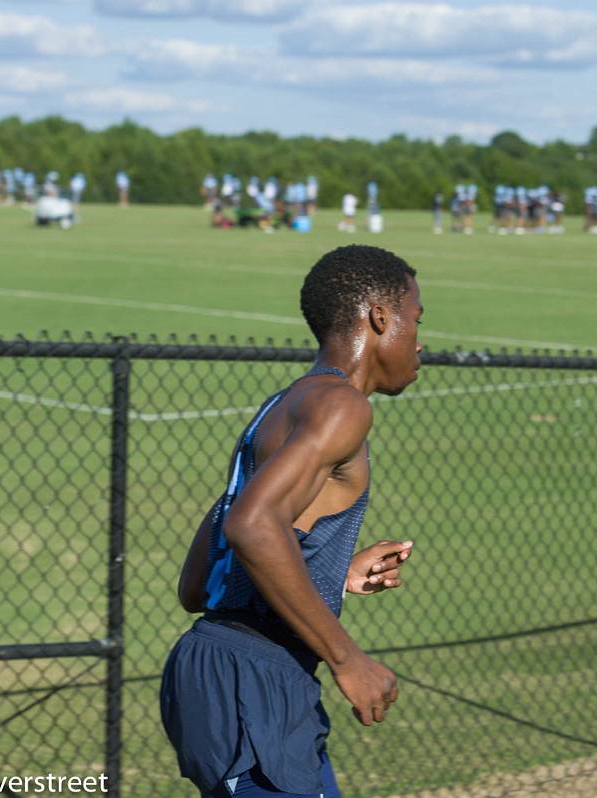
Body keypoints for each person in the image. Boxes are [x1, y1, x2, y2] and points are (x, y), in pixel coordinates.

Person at [161, 244, 423, 798]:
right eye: (416, 320)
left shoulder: (283, 405)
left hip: (212, 663)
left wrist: (332, 573)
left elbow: (198, 586)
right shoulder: (343, 407)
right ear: (380, 316)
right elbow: (252, 527)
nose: (419, 342)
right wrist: (348, 659)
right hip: (257, 681)